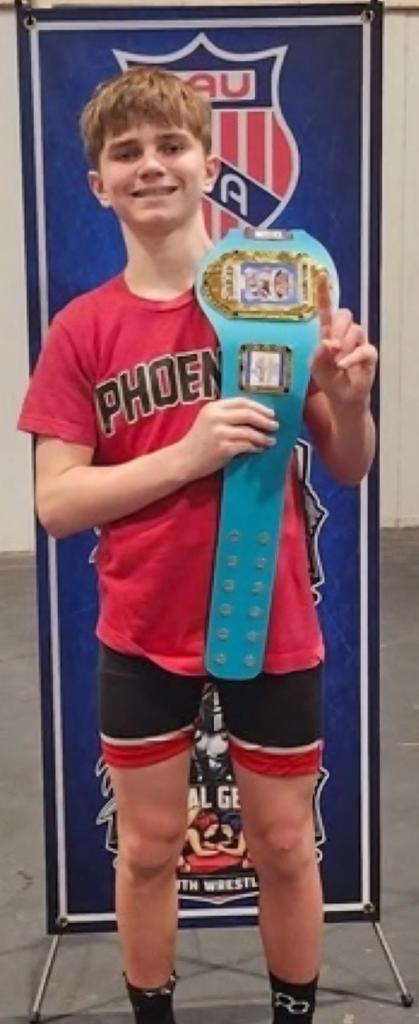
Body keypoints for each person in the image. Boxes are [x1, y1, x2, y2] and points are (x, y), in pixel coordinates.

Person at [18, 67, 378, 1023]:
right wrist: (184, 456)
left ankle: (294, 1012)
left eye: (170, 147)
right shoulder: (82, 330)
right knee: (145, 848)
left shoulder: (283, 294)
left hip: (277, 622)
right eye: (125, 153)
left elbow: (346, 462)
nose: (150, 166)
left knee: (286, 845)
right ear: (97, 183)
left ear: (209, 165)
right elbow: (56, 505)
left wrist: (344, 399)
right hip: (140, 626)